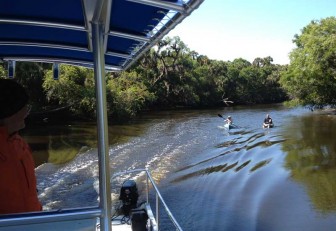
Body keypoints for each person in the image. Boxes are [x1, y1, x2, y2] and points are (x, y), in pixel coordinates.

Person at [0, 78, 42, 214]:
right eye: (25, 107)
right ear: (11, 112)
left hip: (33, 221)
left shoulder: (19, 142)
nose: (27, 113)